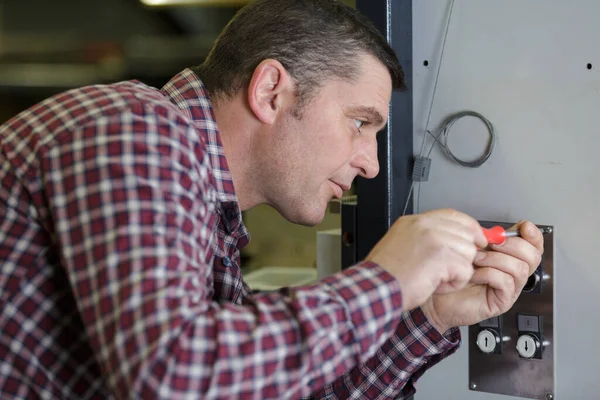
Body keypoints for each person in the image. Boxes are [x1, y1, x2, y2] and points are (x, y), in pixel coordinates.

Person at [0, 0, 543, 398]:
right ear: (270, 92)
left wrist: (429, 314)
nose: (372, 163)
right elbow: (171, 376)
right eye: (359, 123)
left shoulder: (213, 220)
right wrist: (387, 280)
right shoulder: (133, 127)